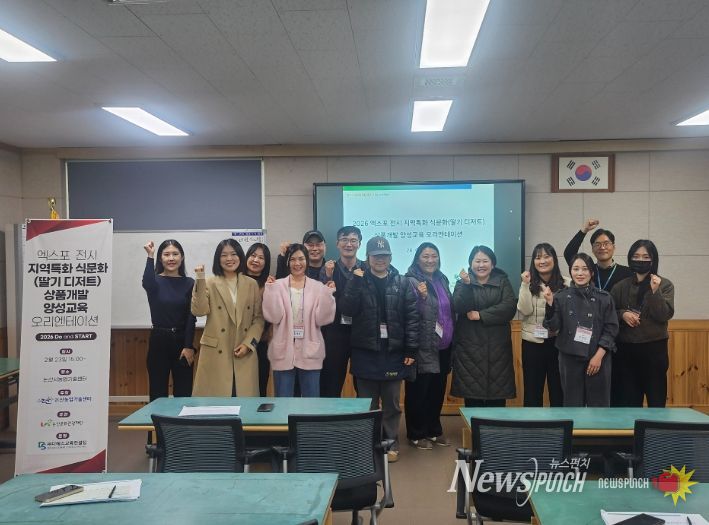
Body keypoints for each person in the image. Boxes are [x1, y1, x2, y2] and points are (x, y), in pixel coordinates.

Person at [341, 236, 419, 463]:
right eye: (375, 256)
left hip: (393, 352)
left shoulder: (403, 283)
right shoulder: (358, 279)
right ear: (368, 258)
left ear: (391, 257)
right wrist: (354, 282)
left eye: (384, 256)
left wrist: (411, 350)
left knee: (392, 403)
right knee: (368, 404)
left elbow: (412, 318)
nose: (380, 260)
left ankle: (391, 443)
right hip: (365, 352)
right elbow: (347, 309)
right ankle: (369, 444)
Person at [543, 253, 618, 407]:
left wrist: (598, 356)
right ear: (570, 271)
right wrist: (549, 304)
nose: (580, 273)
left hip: (598, 357)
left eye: (585, 269)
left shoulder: (604, 298)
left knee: (599, 405)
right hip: (569, 358)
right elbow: (553, 327)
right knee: (572, 405)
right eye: (576, 269)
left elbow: (611, 329)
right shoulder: (560, 297)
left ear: (591, 272)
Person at [191, 239, 265, 396]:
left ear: (240, 257)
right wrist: (199, 278)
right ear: (218, 259)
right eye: (224, 255)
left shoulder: (251, 284)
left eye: (233, 254)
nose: (229, 259)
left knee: (243, 402)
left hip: (244, 351)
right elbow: (199, 311)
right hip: (216, 353)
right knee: (215, 405)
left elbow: (258, 319)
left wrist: (248, 344)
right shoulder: (209, 282)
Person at [262, 243, 336, 397]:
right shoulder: (277, 285)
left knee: (310, 402)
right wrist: (270, 291)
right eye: (293, 259)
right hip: (283, 351)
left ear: (307, 261)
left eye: (301, 259)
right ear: (287, 262)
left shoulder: (318, 287)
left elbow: (322, 319)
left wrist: (327, 295)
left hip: (310, 351)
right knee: (284, 401)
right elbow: (273, 317)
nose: (297, 263)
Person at [611, 240, 674, 407]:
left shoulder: (664, 284)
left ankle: (655, 426)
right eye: (636, 256)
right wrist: (622, 314)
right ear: (630, 258)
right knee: (629, 402)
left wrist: (655, 291)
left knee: (656, 401)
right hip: (626, 350)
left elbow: (664, 315)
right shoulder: (620, 286)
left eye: (646, 257)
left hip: (654, 350)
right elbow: (608, 314)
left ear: (653, 259)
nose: (640, 260)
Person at [451, 246, 517, 407]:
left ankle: (495, 425)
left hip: (497, 349)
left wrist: (481, 315)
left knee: (497, 398)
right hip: (469, 349)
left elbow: (509, 307)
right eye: (477, 261)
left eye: (485, 261)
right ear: (470, 263)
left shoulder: (502, 281)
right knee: (472, 397)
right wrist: (467, 285)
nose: (481, 265)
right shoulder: (462, 283)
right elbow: (458, 306)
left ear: (492, 264)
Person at [404, 242, 454, 450]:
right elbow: (407, 312)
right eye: (425, 256)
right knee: (418, 392)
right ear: (417, 258)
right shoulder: (410, 281)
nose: (430, 260)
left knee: (437, 390)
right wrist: (422, 298)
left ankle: (433, 429)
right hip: (422, 346)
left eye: (434, 256)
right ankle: (416, 433)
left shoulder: (442, 279)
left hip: (443, 346)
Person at [142, 239, 196, 401]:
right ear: (160, 258)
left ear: (182, 257)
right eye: (166, 254)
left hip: (182, 341)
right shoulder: (154, 281)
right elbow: (147, 282)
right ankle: (158, 420)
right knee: (157, 392)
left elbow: (191, 317)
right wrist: (150, 256)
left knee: (184, 393)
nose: (171, 258)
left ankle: (182, 420)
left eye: (175, 254)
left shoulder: (189, 283)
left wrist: (188, 346)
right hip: (159, 340)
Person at [517, 243, 569, 407]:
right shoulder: (528, 283)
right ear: (533, 262)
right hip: (532, 343)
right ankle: (533, 423)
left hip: (558, 344)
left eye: (547, 257)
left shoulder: (566, 284)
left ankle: (560, 423)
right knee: (532, 391)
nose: (542, 261)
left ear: (554, 259)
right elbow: (525, 310)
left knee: (558, 390)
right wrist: (525, 284)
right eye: (538, 258)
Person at [319, 226, 367, 397]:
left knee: (363, 385)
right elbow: (321, 301)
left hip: (361, 332)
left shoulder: (367, 268)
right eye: (344, 240)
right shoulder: (328, 269)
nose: (349, 244)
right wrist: (328, 277)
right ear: (337, 244)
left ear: (359, 244)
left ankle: (363, 415)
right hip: (335, 333)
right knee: (331, 384)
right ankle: (329, 415)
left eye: (353, 240)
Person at [563, 218, 633, 292]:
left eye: (606, 243)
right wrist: (584, 231)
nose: (602, 247)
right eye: (597, 244)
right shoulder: (588, 271)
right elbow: (569, 253)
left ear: (614, 247)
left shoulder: (627, 273)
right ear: (592, 249)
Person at [244, 242, 272, 397]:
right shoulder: (235, 280)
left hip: (260, 343)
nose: (256, 260)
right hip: (236, 342)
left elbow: (272, 315)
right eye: (253, 255)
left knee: (259, 387)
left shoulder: (270, 284)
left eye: (261, 258)